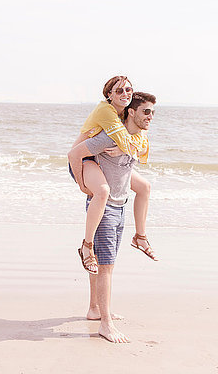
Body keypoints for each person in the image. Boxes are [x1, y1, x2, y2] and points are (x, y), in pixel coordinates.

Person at [68, 92, 157, 343]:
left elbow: (134, 168)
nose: (151, 117)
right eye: (146, 112)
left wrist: (124, 150)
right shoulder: (107, 137)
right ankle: (105, 324)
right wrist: (83, 185)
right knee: (107, 266)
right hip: (104, 206)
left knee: (105, 262)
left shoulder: (136, 138)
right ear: (131, 112)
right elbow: (75, 153)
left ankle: (95, 309)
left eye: (153, 113)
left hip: (121, 205)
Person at [69, 76, 157, 275]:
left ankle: (140, 237)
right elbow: (123, 139)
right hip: (82, 159)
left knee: (144, 187)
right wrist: (82, 185)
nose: (125, 94)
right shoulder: (106, 111)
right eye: (119, 91)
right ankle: (87, 246)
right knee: (102, 191)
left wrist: (124, 150)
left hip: (98, 158)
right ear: (109, 95)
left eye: (128, 90)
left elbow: (141, 141)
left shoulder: (124, 112)